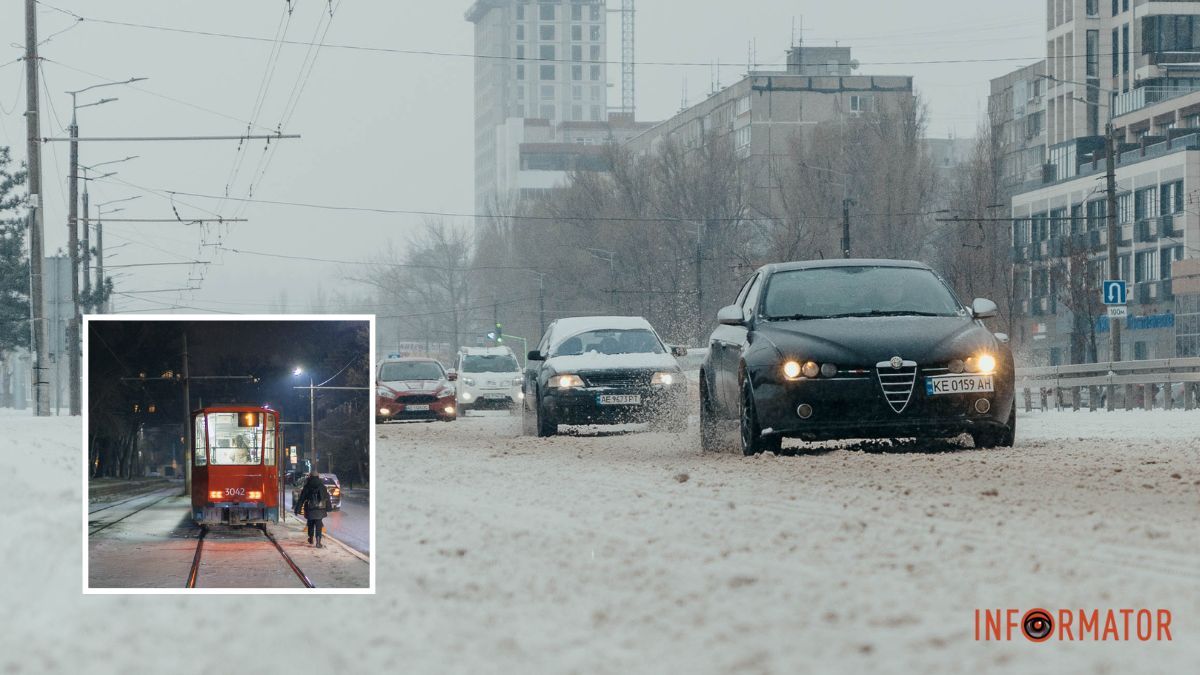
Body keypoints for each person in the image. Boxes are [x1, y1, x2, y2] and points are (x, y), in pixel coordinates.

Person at [293, 469, 330, 548]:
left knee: (310, 524)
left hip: (310, 509)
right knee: (318, 525)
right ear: (318, 476)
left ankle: (310, 538)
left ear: (310, 476)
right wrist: (329, 508)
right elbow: (326, 497)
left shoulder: (307, 486)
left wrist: (297, 509)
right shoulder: (322, 486)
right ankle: (318, 542)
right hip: (320, 509)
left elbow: (301, 499)